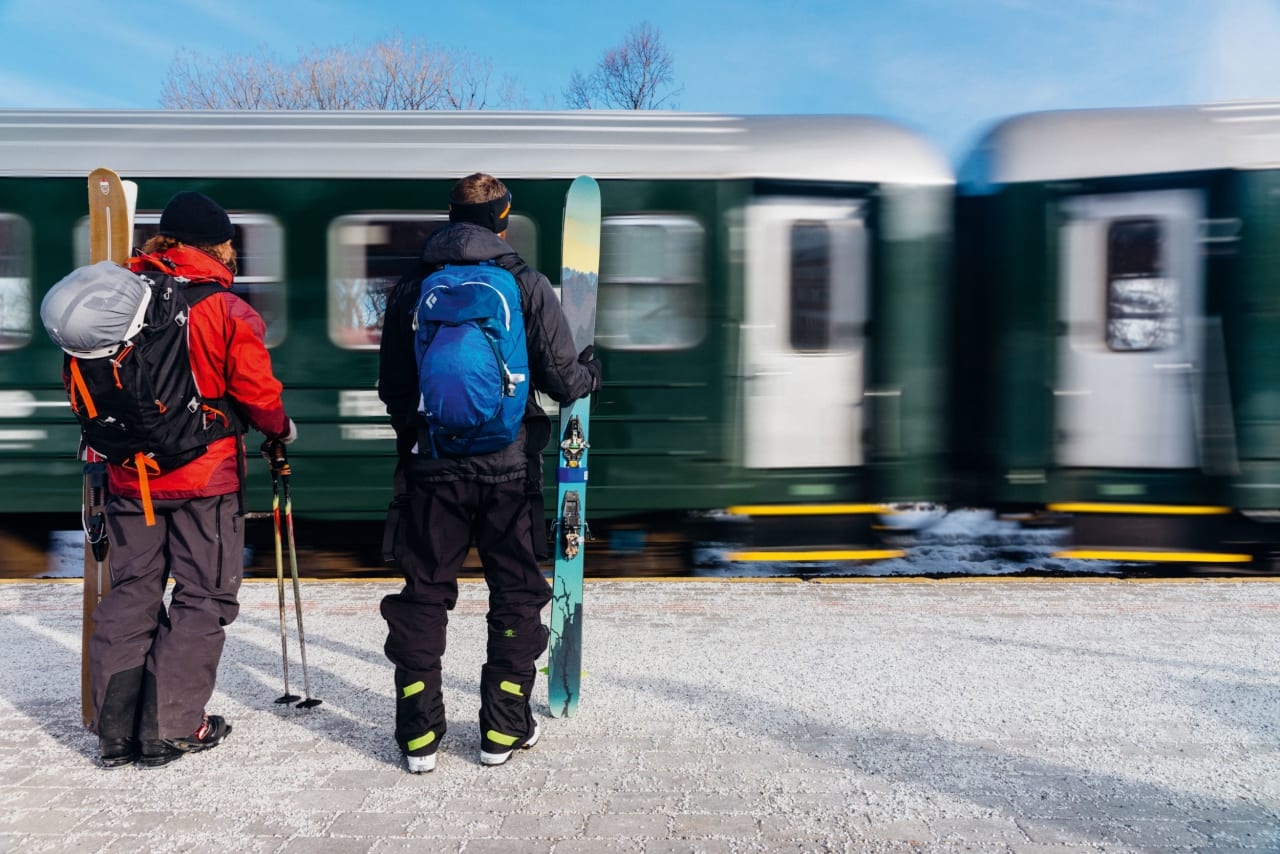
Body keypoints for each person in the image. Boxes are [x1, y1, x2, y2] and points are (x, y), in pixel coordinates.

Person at [378, 173, 601, 772]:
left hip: (432, 468)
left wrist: (422, 435)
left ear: (451, 216)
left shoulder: (411, 287)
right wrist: (590, 374)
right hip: (508, 470)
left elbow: (393, 387)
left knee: (425, 594)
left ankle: (419, 738)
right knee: (515, 595)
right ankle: (502, 730)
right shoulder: (525, 283)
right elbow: (562, 381)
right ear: (503, 219)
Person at [87, 191, 296, 768]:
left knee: (132, 591)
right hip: (205, 479)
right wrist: (280, 428)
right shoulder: (225, 308)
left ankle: (115, 732)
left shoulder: (119, 297)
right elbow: (257, 393)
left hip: (131, 476)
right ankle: (172, 727)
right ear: (219, 245)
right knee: (203, 595)